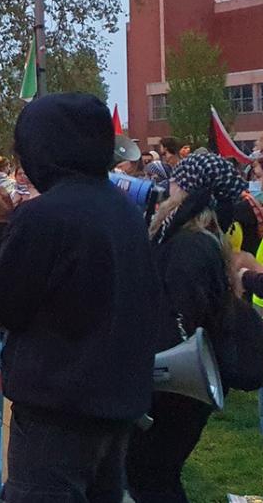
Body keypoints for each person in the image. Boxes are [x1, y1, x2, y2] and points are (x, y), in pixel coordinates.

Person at [0, 93, 161, 503]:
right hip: (116, 405)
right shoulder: (124, 211)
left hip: (56, 412)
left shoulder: (46, 215)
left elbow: (6, 306)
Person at [125, 152, 247, 502]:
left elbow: (178, 318)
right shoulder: (202, 243)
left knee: (151, 480)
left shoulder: (187, 247)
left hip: (175, 388)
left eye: (176, 181)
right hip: (185, 388)